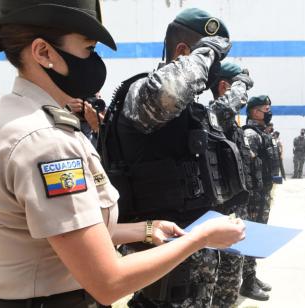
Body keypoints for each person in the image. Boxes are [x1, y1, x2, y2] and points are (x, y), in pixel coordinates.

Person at [0, 1, 245, 307]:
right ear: (43, 53)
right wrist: (200, 237)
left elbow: (67, 231)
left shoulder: (23, 119)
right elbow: (108, 282)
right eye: (88, 49)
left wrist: (145, 229)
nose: (94, 62)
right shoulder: (46, 143)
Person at [99, 8, 245, 307]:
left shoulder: (192, 110)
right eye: (211, 58)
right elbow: (168, 93)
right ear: (183, 51)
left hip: (196, 257)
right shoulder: (143, 94)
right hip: (164, 268)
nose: (214, 67)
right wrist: (206, 53)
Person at [208, 61, 254, 308]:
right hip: (219, 212)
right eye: (241, 88)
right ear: (225, 86)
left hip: (235, 208)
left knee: (232, 273)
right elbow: (222, 108)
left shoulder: (231, 124)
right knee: (221, 276)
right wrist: (242, 83)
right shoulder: (214, 115)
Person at [240, 95, 282, 301]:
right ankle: (246, 284)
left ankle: (251, 275)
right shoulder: (249, 134)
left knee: (256, 236)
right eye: (266, 109)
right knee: (251, 237)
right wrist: (252, 197)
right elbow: (247, 168)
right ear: (255, 112)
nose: (269, 112)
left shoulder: (261, 133)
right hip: (254, 197)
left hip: (262, 193)